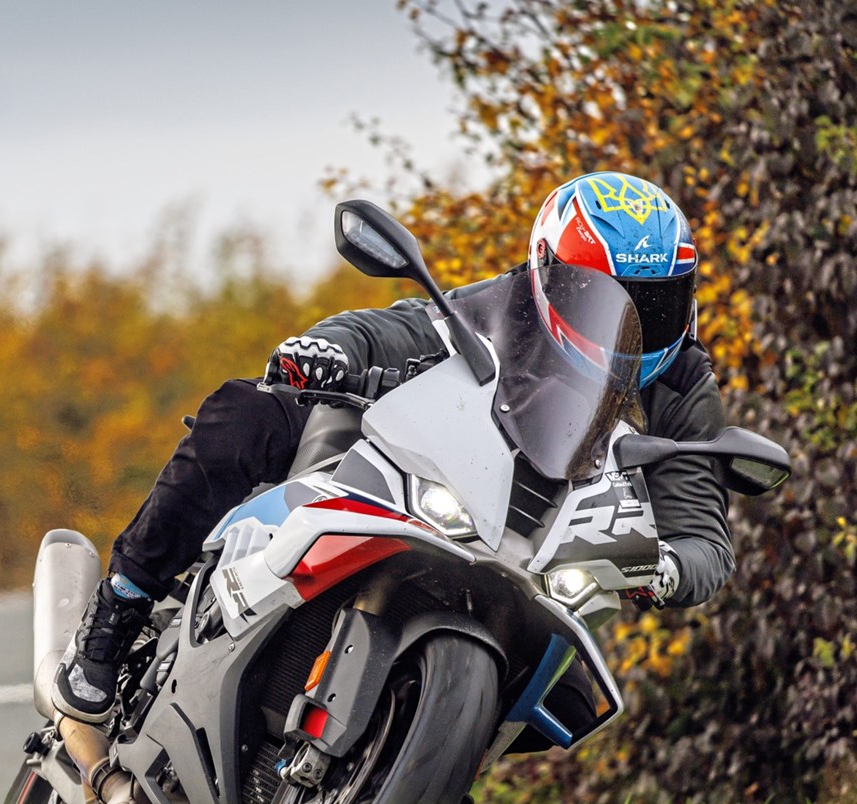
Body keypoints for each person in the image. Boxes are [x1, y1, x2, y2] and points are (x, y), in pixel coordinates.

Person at [51, 171, 731, 743]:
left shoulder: (680, 386)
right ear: (549, 274)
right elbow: (395, 329)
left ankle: (415, 769)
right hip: (443, 494)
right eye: (607, 298)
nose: (631, 325)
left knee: (569, 700)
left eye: (656, 303)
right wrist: (331, 350)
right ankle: (118, 612)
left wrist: (664, 568)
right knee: (246, 412)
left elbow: (703, 536)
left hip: (540, 562)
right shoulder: (503, 307)